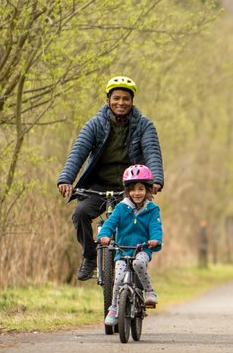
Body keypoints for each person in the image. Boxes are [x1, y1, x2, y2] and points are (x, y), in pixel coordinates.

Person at [57, 75, 164, 281]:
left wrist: (156, 179)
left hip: (130, 188)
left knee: (133, 222)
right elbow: (78, 152)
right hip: (97, 186)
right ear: (108, 100)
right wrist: (65, 179)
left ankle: (134, 271)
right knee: (80, 213)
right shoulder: (95, 124)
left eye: (126, 98)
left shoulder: (143, 125)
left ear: (132, 101)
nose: (121, 103)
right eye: (116, 98)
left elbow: (152, 152)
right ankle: (89, 256)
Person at [97, 165, 163, 321]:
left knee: (139, 264)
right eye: (133, 189)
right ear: (127, 191)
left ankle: (149, 292)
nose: (137, 193)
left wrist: (155, 240)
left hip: (142, 249)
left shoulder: (152, 209)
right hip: (122, 251)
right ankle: (113, 308)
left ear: (147, 190)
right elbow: (110, 223)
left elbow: (155, 227)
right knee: (118, 280)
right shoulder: (121, 208)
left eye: (141, 189)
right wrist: (104, 235)